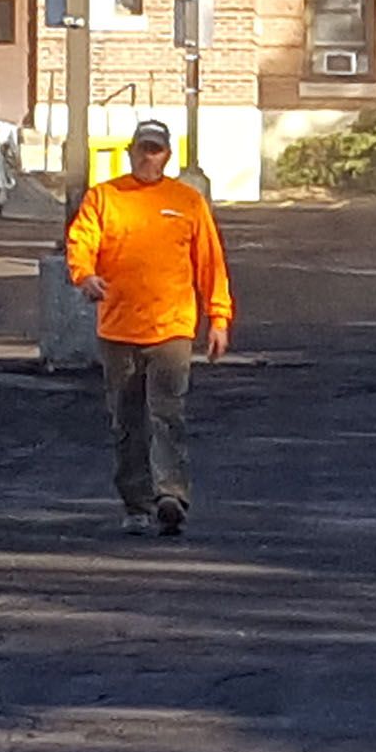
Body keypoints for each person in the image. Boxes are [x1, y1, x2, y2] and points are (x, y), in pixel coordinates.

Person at [65, 118, 233, 537]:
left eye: (155, 150)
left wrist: (219, 318)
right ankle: (137, 504)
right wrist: (85, 276)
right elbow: (81, 242)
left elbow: (210, 263)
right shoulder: (104, 197)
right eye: (142, 148)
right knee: (127, 421)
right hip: (118, 328)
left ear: (167, 156)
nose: (148, 156)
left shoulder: (187, 202)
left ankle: (171, 495)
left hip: (172, 328)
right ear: (130, 152)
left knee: (167, 414)